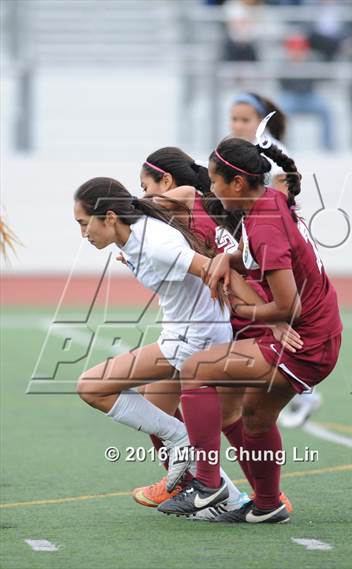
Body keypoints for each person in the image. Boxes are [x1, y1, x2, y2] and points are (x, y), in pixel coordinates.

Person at [74, 175, 294, 517]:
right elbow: (189, 191)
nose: (83, 234)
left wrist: (273, 320)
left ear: (111, 218)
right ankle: (229, 495)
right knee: (161, 405)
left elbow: (220, 272)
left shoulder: (154, 244)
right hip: (182, 333)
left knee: (92, 387)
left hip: (196, 339)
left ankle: (189, 453)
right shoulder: (133, 232)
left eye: (85, 224)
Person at [158, 137, 342, 523]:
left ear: (237, 183)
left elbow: (287, 306)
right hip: (322, 331)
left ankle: (207, 485)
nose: (211, 188)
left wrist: (246, 309)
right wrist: (229, 258)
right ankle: (267, 505)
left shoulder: (263, 223)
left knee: (196, 370)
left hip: (305, 343)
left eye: (215, 180)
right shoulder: (268, 202)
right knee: (256, 418)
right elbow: (256, 255)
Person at [130, 147, 297, 517]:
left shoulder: (192, 200)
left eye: (146, 186)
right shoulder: (197, 209)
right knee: (155, 403)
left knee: (231, 416)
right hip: (221, 318)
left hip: (238, 319)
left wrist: (123, 212)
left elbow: (151, 206)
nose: (143, 196)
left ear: (167, 181)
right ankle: (192, 482)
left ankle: (257, 494)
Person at [229, 99, 323, 427]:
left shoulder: (270, 155)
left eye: (245, 119)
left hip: (273, 246)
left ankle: (304, 390)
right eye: (234, 118)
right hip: (257, 243)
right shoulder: (240, 155)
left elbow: (279, 207)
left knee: (267, 311)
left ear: (260, 121)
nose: (238, 124)